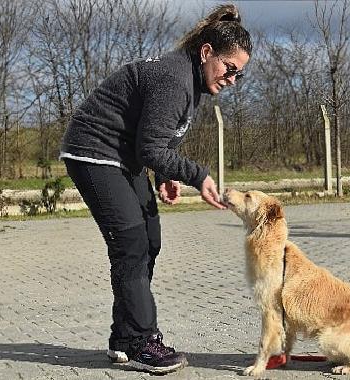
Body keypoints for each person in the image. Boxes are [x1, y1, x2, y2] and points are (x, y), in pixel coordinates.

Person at [59, 3, 252, 375]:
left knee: (149, 238)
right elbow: (150, 148)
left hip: (123, 155)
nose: (231, 80)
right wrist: (197, 175)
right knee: (130, 242)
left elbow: (155, 138)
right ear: (207, 52)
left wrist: (164, 173)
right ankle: (142, 341)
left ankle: (124, 336)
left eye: (238, 76)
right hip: (93, 151)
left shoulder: (192, 83)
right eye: (229, 69)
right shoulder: (174, 78)